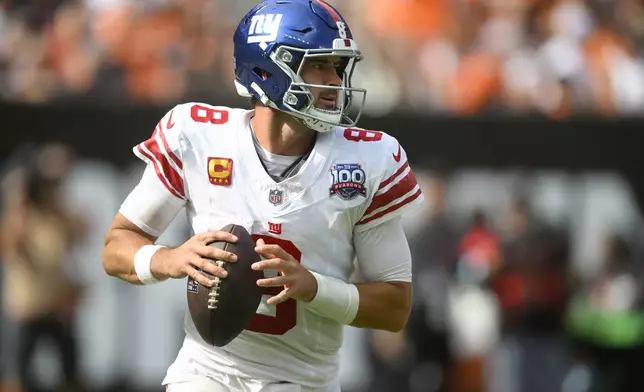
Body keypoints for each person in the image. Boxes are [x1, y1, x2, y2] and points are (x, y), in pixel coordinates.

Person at [101, 1, 424, 391]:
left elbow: (394, 307)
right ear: (267, 68)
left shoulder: (367, 160)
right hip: (207, 371)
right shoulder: (198, 135)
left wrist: (314, 287)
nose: (335, 82)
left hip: (304, 382)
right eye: (319, 65)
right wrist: (170, 258)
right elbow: (115, 248)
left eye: (338, 67)